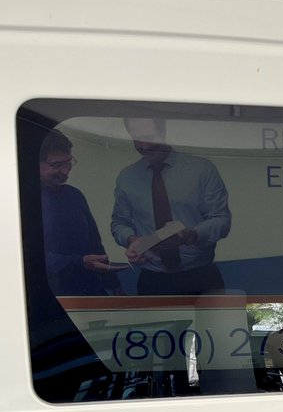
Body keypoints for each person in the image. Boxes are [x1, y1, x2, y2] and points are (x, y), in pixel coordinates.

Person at [111, 117, 232, 296]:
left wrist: (190, 234)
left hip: (201, 278)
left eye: (149, 137)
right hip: (152, 280)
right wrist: (131, 239)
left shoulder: (201, 170)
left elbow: (221, 220)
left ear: (163, 131)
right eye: (136, 139)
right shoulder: (127, 178)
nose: (143, 146)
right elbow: (119, 223)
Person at [39, 129, 123, 296]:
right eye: (56, 165)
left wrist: (114, 285)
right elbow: (27, 254)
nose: (65, 171)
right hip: (48, 291)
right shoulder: (20, 199)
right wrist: (78, 262)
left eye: (68, 162)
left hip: (90, 288)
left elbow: (94, 242)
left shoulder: (74, 195)